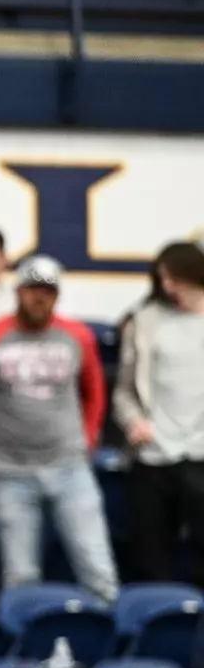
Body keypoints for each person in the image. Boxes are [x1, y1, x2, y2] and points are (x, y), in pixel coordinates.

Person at [0, 254, 120, 604]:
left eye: (48, 291)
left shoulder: (78, 337)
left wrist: (86, 437)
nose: (39, 298)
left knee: (99, 572)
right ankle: (26, 658)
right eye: (33, 289)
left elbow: (95, 394)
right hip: (11, 473)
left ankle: (106, 653)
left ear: (56, 296)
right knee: (20, 580)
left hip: (70, 468)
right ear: (18, 290)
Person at [112, 241, 204, 586]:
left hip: (200, 453)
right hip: (152, 454)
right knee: (151, 557)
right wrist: (134, 421)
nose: (168, 288)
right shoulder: (144, 322)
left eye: (175, 279)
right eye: (163, 280)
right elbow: (123, 391)